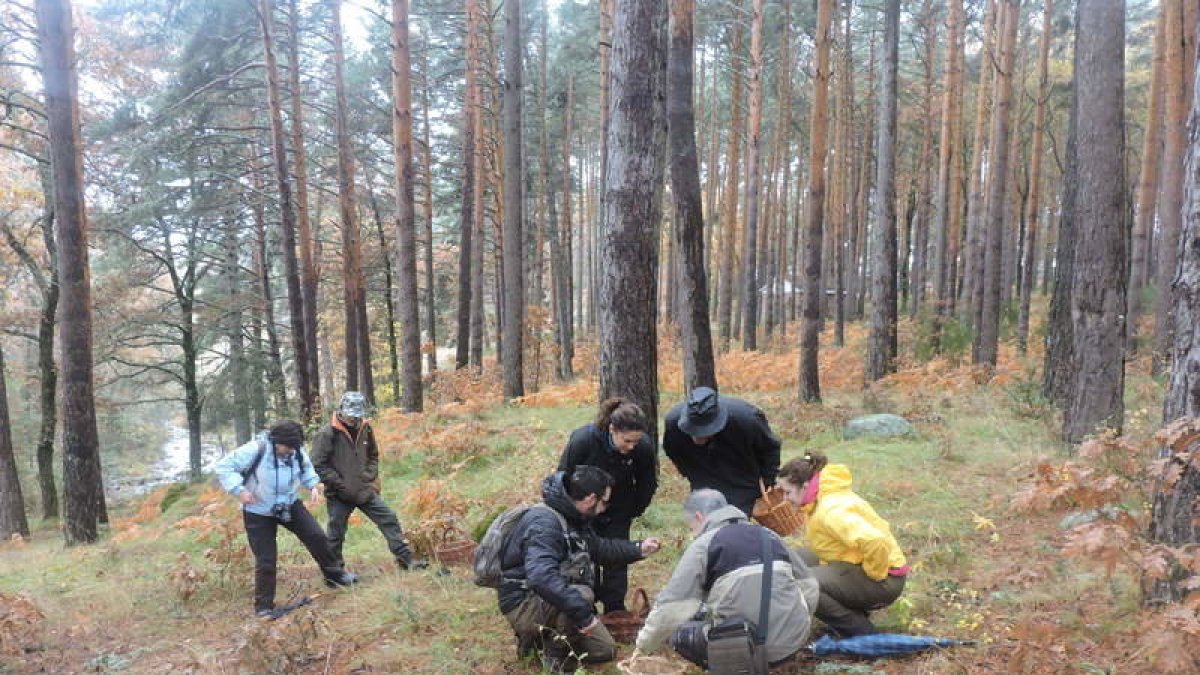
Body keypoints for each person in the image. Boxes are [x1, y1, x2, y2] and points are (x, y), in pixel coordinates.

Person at [497, 466, 662, 674]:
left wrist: (639, 548)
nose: (604, 508)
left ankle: (541, 642)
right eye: (604, 502)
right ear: (591, 498)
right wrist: (583, 615)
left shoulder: (573, 516)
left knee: (605, 650)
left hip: (547, 599)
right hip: (522, 602)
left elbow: (598, 548)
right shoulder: (544, 523)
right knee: (582, 595)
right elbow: (540, 576)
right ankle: (556, 659)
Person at [632, 489, 818, 670]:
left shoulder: (704, 544)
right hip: (790, 643)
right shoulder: (769, 534)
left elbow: (671, 609)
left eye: (692, 527)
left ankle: (730, 666)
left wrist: (643, 646)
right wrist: (798, 622)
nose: (693, 534)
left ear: (699, 517)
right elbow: (810, 587)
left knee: (679, 635)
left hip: (743, 649)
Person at [214, 420, 358, 618]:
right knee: (266, 559)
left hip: (289, 504)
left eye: (294, 447)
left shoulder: (295, 450)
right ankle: (264, 607)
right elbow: (223, 467)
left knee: (316, 536)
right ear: (276, 441)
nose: (290, 451)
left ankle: (335, 576)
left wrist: (312, 486)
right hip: (257, 510)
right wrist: (239, 490)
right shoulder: (256, 449)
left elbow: (306, 467)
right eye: (287, 447)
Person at [777, 451, 909, 637]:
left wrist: (874, 574)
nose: (784, 499)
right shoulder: (822, 496)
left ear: (805, 486)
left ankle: (861, 631)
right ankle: (848, 603)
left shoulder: (831, 510)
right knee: (792, 561)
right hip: (860, 563)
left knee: (803, 584)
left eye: (787, 492)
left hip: (885, 580)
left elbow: (875, 541)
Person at [557, 397, 658, 613]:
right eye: (627, 441)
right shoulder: (584, 440)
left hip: (620, 507)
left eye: (636, 441)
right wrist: (574, 511)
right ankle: (586, 607)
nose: (631, 446)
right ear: (612, 429)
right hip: (584, 509)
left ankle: (614, 608)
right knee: (585, 555)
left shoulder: (643, 448)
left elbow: (647, 483)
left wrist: (633, 510)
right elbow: (563, 477)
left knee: (618, 558)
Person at [311, 391, 427, 571]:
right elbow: (318, 464)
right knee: (336, 533)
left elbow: (373, 455)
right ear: (341, 410)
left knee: (388, 518)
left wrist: (368, 476)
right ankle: (334, 572)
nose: (354, 419)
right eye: (351, 415)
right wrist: (340, 484)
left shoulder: (366, 428)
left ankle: (406, 560)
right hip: (339, 494)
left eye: (357, 415)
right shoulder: (327, 433)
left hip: (365, 490)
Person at [662, 386, 782, 516]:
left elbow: (770, 449)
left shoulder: (747, 420)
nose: (698, 436)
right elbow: (672, 451)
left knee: (736, 518)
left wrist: (768, 481)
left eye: (704, 431)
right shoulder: (673, 423)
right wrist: (691, 474)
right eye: (694, 430)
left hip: (743, 475)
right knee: (707, 515)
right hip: (702, 476)